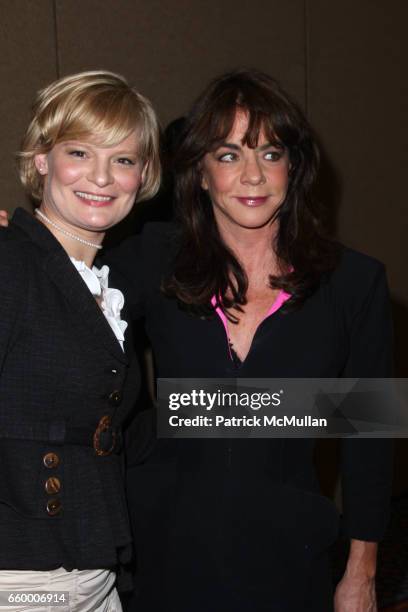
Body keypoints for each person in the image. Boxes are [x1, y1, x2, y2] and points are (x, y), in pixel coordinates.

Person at [104, 70, 393, 612]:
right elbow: (63, 293)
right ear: (201, 172)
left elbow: (369, 444)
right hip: (164, 557)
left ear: (294, 167)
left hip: (289, 561)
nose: (253, 176)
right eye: (230, 155)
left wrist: (362, 573)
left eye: (271, 153)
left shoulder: (353, 284)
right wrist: (22, 244)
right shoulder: (152, 259)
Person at [0, 70, 160, 611]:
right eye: (79, 152)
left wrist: (288, 409)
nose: (102, 177)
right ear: (41, 159)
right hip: (22, 581)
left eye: (123, 159)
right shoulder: (9, 263)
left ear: (144, 174)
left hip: (94, 575)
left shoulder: (106, 284)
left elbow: (122, 432)